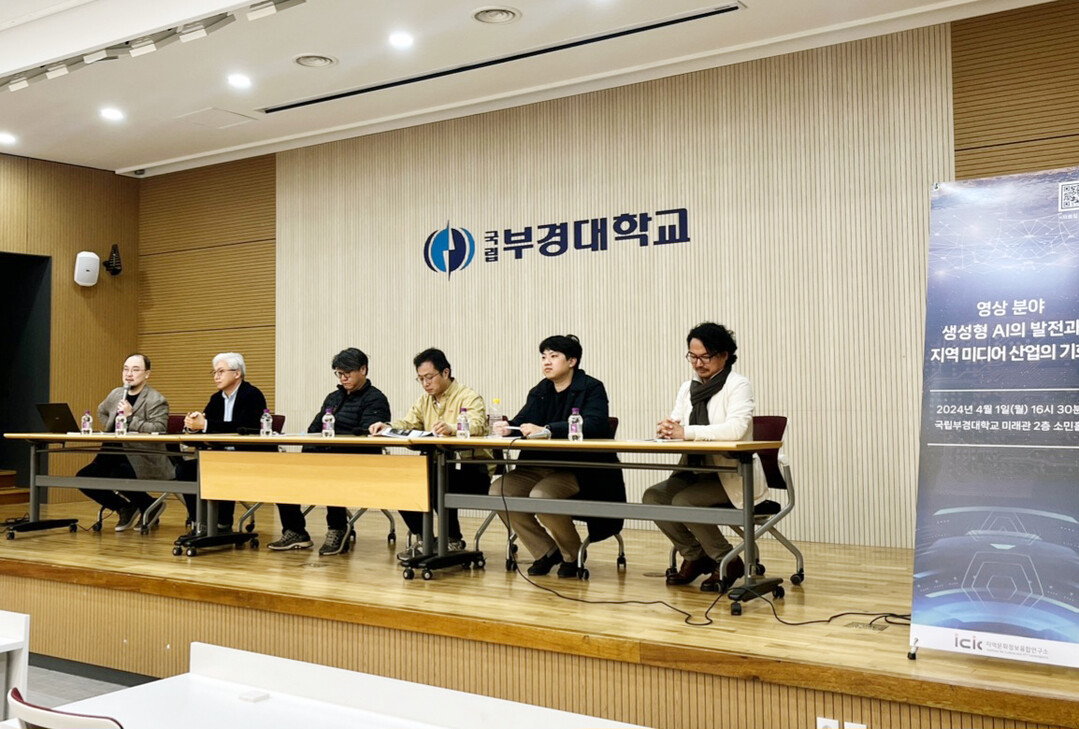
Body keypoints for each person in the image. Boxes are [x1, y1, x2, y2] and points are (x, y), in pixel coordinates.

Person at [490, 335, 624, 578]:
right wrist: (508, 428)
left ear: (572, 361)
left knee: (543, 495)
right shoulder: (540, 390)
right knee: (499, 490)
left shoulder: (591, 388)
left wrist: (549, 430)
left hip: (577, 468)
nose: (546, 362)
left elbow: (595, 424)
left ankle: (572, 554)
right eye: (543, 357)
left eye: (553, 356)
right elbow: (523, 421)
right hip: (538, 466)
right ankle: (546, 550)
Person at [643, 322, 758, 592]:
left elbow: (736, 429)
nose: (697, 363)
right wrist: (668, 429)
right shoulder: (688, 388)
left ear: (724, 355)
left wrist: (686, 432)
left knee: (685, 501)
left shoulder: (738, 385)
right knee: (653, 498)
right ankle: (695, 556)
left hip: (731, 474)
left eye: (705, 357)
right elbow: (678, 422)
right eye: (692, 356)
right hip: (694, 471)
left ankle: (727, 560)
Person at [269, 348, 391, 555]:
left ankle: (337, 528)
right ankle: (295, 531)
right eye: (339, 374)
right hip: (323, 457)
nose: (343, 378)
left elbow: (367, 435)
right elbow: (314, 429)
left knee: (332, 472)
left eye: (347, 373)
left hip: (357, 462)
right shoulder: (333, 398)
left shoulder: (375, 399)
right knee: (283, 475)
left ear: (363, 370)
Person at [369, 348, 490, 553]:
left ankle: (452, 539)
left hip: (472, 471)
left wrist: (453, 428)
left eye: (429, 377)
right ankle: (426, 538)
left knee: (434, 478)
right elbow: (408, 423)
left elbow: (478, 424)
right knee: (401, 482)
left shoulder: (469, 397)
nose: (425, 383)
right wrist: (387, 427)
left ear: (445, 372)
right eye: (421, 379)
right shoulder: (424, 401)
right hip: (438, 468)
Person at [175, 352, 267, 534]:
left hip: (247, 458)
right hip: (219, 456)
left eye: (221, 371)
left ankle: (222, 522)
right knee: (185, 470)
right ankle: (200, 522)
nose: (216, 376)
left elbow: (243, 427)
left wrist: (205, 424)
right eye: (214, 372)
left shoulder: (252, 395)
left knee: (221, 466)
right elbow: (207, 424)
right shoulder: (216, 399)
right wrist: (193, 426)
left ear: (237, 373)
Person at [78, 353, 171, 531]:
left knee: (116, 474)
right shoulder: (116, 394)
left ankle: (148, 505)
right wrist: (113, 428)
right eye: (126, 369)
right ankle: (125, 507)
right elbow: (101, 411)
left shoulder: (156, 399)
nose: (129, 374)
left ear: (147, 374)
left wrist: (130, 418)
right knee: (83, 478)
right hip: (110, 452)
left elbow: (159, 429)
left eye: (135, 370)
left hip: (140, 456)